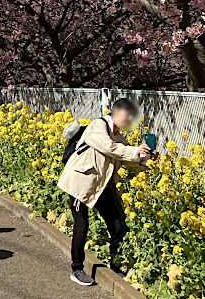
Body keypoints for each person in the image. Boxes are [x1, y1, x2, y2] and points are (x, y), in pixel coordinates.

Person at [58, 97, 157, 286]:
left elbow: (127, 156)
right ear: (117, 111)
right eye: (128, 117)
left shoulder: (118, 135)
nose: (129, 121)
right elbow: (110, 148)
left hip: (102, 185)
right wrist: (135, 150)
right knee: (82, 225)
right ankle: (77, 268)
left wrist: (146, 158)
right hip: (81, 182)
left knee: (117, 223)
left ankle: (116, 265)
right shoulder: (98, 125)